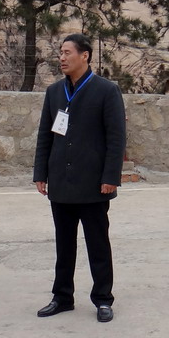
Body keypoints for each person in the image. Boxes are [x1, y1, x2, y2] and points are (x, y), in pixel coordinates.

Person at [33, 33, 126, 323]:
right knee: (64, 245)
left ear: (84, 55)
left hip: (94, 183)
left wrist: (110, 176)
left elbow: (116, 138)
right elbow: (45, 135)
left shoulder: (106, 90)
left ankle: (103, 299)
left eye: (67, 52)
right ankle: (62, 297)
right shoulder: (54, 92)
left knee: (98, 244)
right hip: (61, 182)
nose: (61, 58)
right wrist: (40, 173)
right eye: (60, 53)